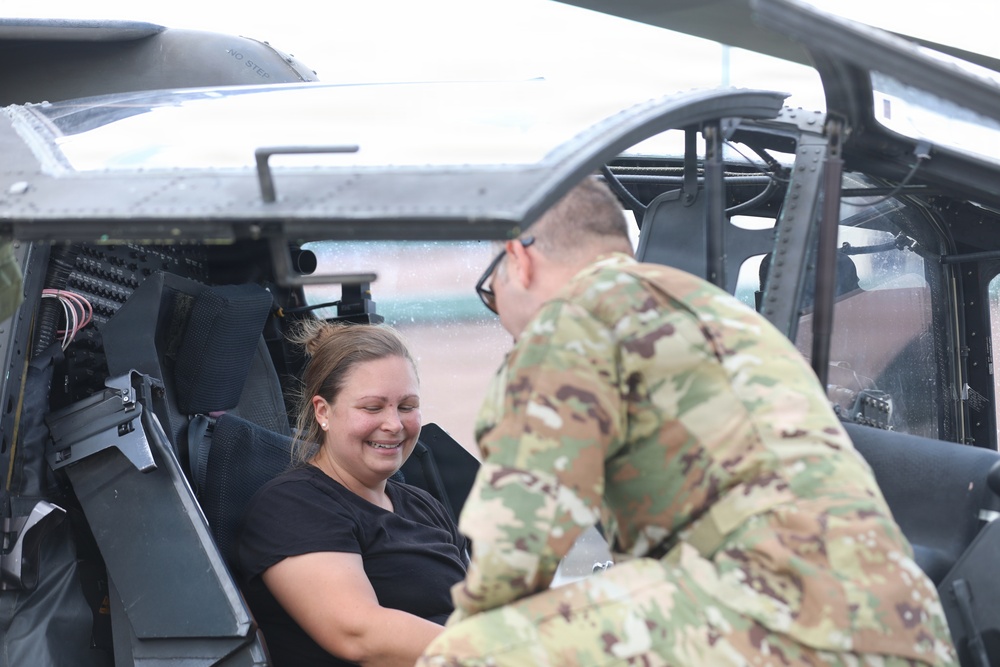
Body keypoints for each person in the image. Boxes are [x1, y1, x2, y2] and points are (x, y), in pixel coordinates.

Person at [418, 177, 956, 666]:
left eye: (492, 291)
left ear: (519, 260)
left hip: (779, 619)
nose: (502, 312)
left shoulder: (573, 321)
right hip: (902, 627)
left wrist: (468, 632)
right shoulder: (720, 315)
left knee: (468, 654)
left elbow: (518, 539)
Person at [237, 321, 468, 667]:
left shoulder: (423, 505)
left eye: (406, 406)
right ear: (323, 412)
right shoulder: (293, 506)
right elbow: (360, 635)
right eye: (372, 408)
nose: (394, 424)